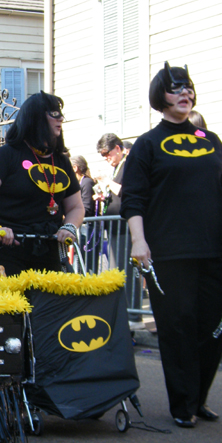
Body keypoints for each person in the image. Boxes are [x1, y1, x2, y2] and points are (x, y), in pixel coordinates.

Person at [122, 63, 222, 429]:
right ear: (160, 98)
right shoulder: (147, 145)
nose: (184, 94)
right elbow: (133, 199)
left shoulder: (211, 140)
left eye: (188, 88)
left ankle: (198, 396)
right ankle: (181, 403)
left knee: (213, 325)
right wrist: (139, 241)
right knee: (178, 326)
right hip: (169, 251)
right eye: (175, 89)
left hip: (213, 248)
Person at [0, 91, 83, 279]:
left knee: (48, 307)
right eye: (54, 113)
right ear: (35, 118)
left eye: (60, 113)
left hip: (46, 249)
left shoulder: (61, 161)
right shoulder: (6, 155)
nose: (61, 118)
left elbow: (76, 206)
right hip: (4, 249)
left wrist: (69, 226)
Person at [96, 133, 143, 328]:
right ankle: (125, 313)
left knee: (129, 271)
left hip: (126, 227)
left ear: (118, 148)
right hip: (116, 228)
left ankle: (134, 315)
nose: (106, 157)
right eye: (102, 155)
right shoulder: (117, 167)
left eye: (107, 153)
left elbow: (127, 191)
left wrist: (107, 182)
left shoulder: (129, 163)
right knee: (119, 272)